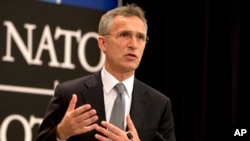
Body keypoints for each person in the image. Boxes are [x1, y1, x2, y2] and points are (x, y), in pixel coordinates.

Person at [36, 3, 176, 141]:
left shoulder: (159, 105)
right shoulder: (70, 94)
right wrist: (61, 133)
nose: (133, 45)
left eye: (140, 37)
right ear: (103, 43)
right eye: (124, 35)